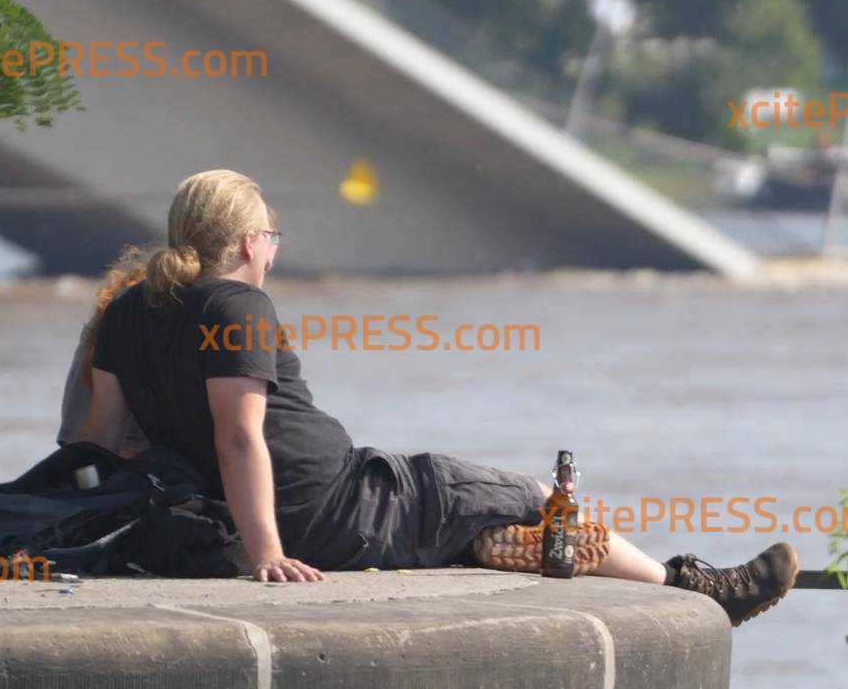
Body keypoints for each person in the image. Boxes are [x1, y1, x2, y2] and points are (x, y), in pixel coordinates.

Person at [68, 169, 797, 625]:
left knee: (472, 517)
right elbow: (239, 434)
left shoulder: (130, 310)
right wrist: (268, 552)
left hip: (236, 513)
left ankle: (485, 545)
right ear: (254, 241)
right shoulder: (237, 306)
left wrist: (71, 529)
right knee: (529, 492)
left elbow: (99, 441)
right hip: (339, 507)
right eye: (273, 237)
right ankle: (697, 587)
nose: (274, 250)